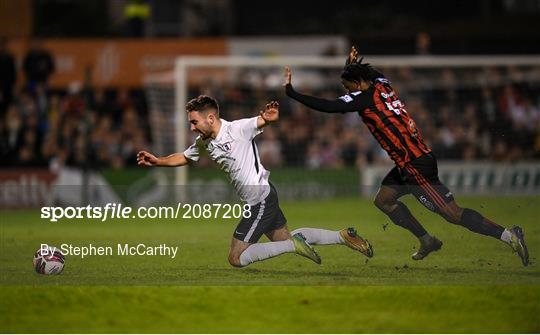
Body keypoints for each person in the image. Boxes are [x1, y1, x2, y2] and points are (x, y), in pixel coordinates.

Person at [283, 46, 529, 266]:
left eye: (348, 87)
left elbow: (329, 106)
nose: (346, 92)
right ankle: (427, 240)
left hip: (415, 166)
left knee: (452, 214)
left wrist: (292, 93)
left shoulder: (365, 99)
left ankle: (508, 235)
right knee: (384, 200)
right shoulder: (382, 84)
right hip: (409, 163)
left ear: (357, 85)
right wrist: (352, 65)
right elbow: (373, 72)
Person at [137, 95, 373, 268]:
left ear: (210, 118)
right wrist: (157, 160)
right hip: (263, 196)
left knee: (236, 257)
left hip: (259, 200)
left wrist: (269, 119)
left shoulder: (238, 129)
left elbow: (260, 122)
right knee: (284, 239)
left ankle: (295, 246)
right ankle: (342, 236)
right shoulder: (204, 141)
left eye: (194, 121)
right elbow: (185, 157)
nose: (192, 127)